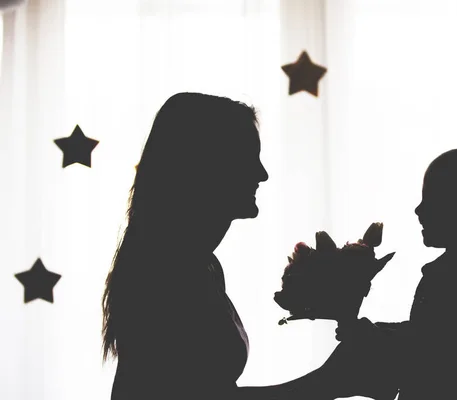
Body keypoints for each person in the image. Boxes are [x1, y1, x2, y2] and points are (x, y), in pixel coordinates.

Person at [101, 92, 368, 400]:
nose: (262, 174)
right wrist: (330, 382)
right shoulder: (165, 274)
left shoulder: (202, 265)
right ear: (206, 166)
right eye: (248, 158)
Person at [334, 147, 457, 400]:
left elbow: (432, 351)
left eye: (432, 200)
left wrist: (373, 337)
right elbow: (428, 334)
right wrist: (375, 333)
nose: (418, 210)